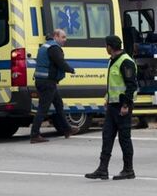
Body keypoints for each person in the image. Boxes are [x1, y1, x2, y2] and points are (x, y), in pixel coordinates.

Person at [85, 35, 138, 181]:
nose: (105, 48)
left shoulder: (125, 62)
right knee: (107, 137)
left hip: (122, 107)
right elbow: (113, 84)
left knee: (124, 139)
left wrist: (126, 105)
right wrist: (107, 99)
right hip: (112, 106)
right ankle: (102, 169)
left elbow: (131, 86)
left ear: (110, 47)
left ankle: (128, 170)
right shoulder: (113, 61)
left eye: (106, 46)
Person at [29, 28, 75, 144]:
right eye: (63, 37)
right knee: (43, 108)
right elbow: (60, 62)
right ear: (56, 36)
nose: (65, 40)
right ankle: (34, 134)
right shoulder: (54, 48)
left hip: (44, 81)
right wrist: (70, 70)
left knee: (58, 104)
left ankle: (67, 129)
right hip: (47, 82)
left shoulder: (45, 46)